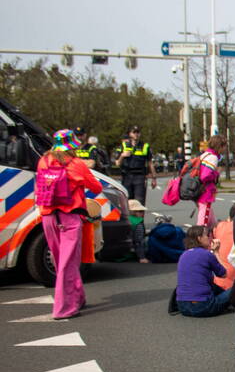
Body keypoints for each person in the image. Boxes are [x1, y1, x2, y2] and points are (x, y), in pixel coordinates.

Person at [36, 129, 103, 319]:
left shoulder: (43, 161)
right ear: (72, 145)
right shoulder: (75, 164)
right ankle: (63, 308)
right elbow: (96, 187)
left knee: (60, 262)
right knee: (68, 262)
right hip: (70, 217)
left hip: (48, 216)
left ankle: (77, 297)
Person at [175, 226, 231, 317]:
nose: (209, 238)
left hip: (182, 306)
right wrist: (216, 252)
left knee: (210, 284)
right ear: (199, 238)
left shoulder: (184, 255)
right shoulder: (207, 254)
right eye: (207, 235)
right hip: (203, 306)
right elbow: (224, 274)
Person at [114, 125, 156, 204]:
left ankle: (138, 216)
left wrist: (154, 178)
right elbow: (117, 163)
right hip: (127, 176)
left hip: (140, 176)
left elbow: (150, 163)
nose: (136, 134)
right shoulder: (124, 145)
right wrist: (122, 156)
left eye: (138, 132)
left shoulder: (145, 146)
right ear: (130, 134)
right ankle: (130, 216)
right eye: (134, 132)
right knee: (127, 201)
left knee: (139, 201)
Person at [195, 135, 225, 229]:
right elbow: (205, 176)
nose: (225, 149)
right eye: (224, 146)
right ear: (219, 146)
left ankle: (214, 233)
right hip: (206, 192)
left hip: (199, 190)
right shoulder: (213, 158)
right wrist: (217, 173)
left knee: (212, 222)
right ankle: (199, 238)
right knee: (203, 221)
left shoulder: (205, 154)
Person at [127, 199, 150, 264]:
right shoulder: (138, 222)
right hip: (129, 253)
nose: (142, 213)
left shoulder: (123, 219)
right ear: (132, 212)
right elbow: (139, 241)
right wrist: (142, 257)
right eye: (140, 211)